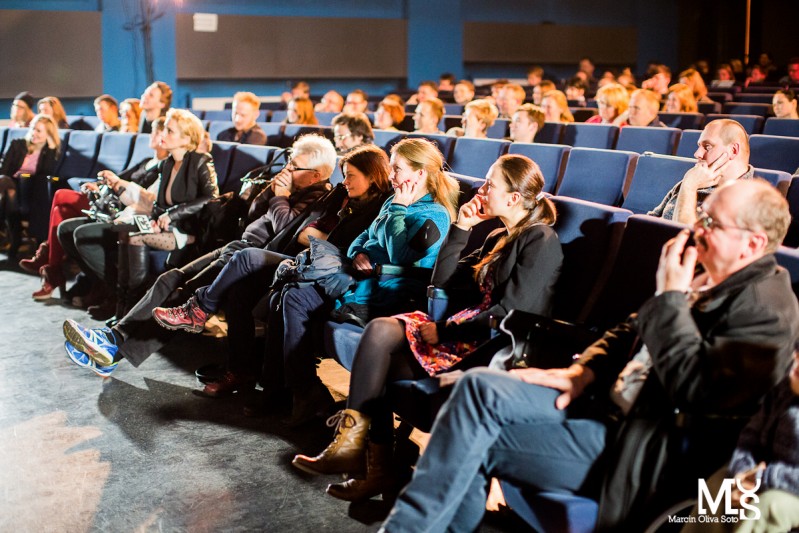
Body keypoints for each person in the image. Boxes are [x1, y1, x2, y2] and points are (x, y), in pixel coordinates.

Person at [380, 178, 799, 532]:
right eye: (702, 215)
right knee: (476, 389)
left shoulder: (768, 309)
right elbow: (627, 330)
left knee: (470, 439)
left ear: (753, 243)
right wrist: (582, 371)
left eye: (711, 222)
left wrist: (670, 297)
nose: (696, 227)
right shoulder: (711, 273)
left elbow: (692, 388)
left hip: (643, 447)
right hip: (605, 405)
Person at [292, 154, 564, 502]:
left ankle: (364, 459)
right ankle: (369, 462)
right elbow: (441, 283)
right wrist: (462, 228)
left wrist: (445, 330)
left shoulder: (540, 239)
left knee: (380, 344)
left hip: (491, 345)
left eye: (490, 185)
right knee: (379, 338)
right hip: (463, 331)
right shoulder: (498, 236)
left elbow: (512, 312)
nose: (481, 190)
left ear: (513, 198)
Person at [62, 134, 338, 376]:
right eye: (288, 162)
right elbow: (252, 214)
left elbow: (286, 231)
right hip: (237, 247)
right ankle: (112, 341)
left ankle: (113, 346)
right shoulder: (293, 188)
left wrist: (280, 196)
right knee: (170, 278)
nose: (287, 169)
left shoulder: (319, 198)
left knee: (181, 292)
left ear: (316, 175)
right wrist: (271, 192)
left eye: (294, 166)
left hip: (255, 261)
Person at [150, 145, 393, 396]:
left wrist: (316, 232)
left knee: (246, 256)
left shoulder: (379, 207)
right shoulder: (342, 196)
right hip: (305, 259)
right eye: (344, 175)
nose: (345, 181)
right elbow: (305, 233)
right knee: (238, 292)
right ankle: (239, 371)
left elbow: (341, 243)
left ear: (372, 176)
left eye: (351, 175)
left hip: (328, 270)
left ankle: (199, 309)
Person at [277, 138, 459, 426]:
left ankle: (306, 395)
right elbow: (361, 238)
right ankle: (298, 392)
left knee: (297, 295)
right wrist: (359, 253)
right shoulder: (392, 200)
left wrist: (398, 209)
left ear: (420, 173)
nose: (391, 175)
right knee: (292, 293)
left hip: (389, 291)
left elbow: (401, 255)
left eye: (397, 169)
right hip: (360, 279)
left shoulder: (435, 214)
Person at [24, 118, 168, 302]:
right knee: (61, 211)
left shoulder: (163, 167)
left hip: (122, 207)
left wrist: (118, 184)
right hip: (107, 200)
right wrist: (99, 185)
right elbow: (120, 177)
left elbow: (141, 196)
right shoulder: (147, 161)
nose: (150, 135)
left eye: (156, 132)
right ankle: (58, 269)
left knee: (60, 195)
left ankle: (52, 265)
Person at [682, 348, 799, 533]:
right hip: (765, 479)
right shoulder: (783, 391)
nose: (796, 359)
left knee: (770, 506)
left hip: (786, 489)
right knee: (720, 484)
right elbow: (749, 440)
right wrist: (742, 475)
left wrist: (761, 478)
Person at [649, 119, 753, 223]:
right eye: (699, 146)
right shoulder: (695, 179)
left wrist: (689, 188)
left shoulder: (750, 201)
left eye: (707, 147)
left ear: (733, 150)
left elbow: (688, 232)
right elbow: (650, 220)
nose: (697, 154)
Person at [0, 114, 61, 260]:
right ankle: (16, 238)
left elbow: (46, 173)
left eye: (39, 131)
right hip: (10, 181)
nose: (34, 133)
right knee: (5, 182)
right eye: (33, 129)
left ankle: (15, 238)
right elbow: (4, 170)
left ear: (49, 134)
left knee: (11, 193)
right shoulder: (18, 144)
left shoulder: (49, 152)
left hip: (31, 188)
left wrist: (51, 147)